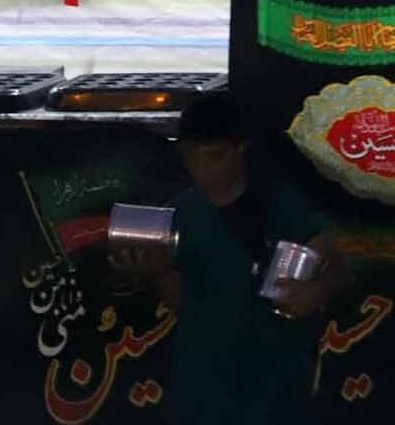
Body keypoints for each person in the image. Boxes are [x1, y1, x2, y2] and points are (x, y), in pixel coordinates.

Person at [112, 90, 352, 425]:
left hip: (274, 386)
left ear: (241, 149)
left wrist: (315, 292)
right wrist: (158, 273)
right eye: (192, 158)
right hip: (202, 390)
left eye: (213, 157)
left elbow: (340, 266)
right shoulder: (179, 215)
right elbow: (184, 306)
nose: (202, 170)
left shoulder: (279, 204)